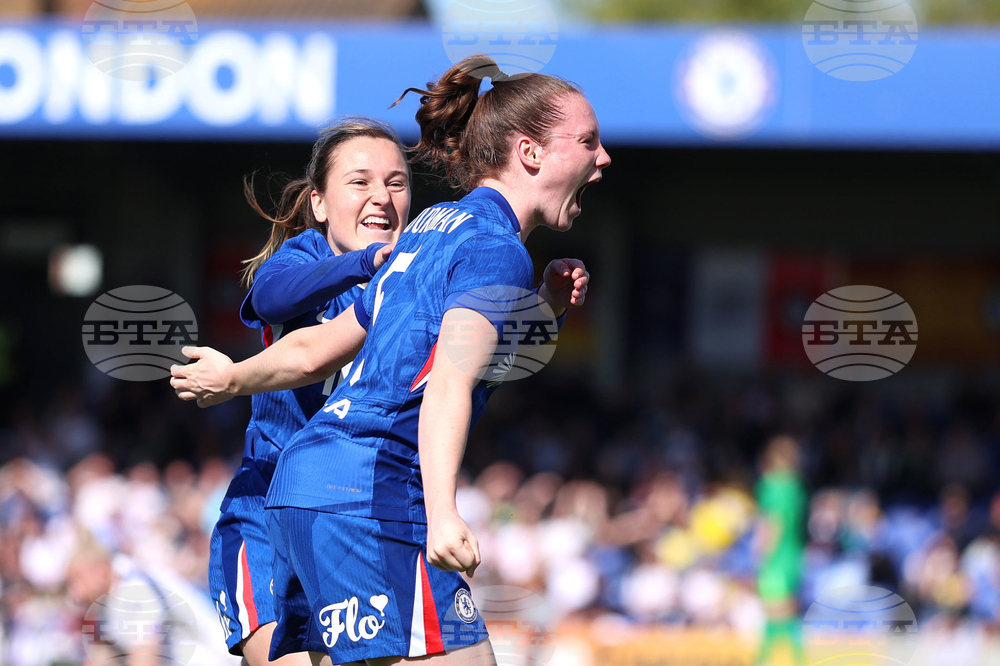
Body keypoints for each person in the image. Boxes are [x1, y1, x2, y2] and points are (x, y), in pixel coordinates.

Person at [171, 54, 610, 665]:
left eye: (395, 180)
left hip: (312, 491)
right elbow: (446, 383)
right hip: (360, 492)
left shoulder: (426, 233)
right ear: (530, 153)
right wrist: (442, 512)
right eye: (588, 141)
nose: (603, 157)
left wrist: (543, 309)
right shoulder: (476, 248)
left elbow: (325, 352)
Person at [210, 118, 409, 666]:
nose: (381, 198)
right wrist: (366, 264)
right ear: (319, 203)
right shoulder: (302, 257)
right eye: (360, 182)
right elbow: (271, 297)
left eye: (396, 183)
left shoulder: (415, 279)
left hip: (355, 522)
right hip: (266, 514)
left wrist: (546, 302)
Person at [754, 435, 808, 666]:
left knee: (774, 610)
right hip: (793, 553)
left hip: (777, 556)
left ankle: (765, 660)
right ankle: (795, 659)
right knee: (787, 610)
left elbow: (773, 521)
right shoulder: (797, 486)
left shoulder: (772, 485)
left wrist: (762, 549)